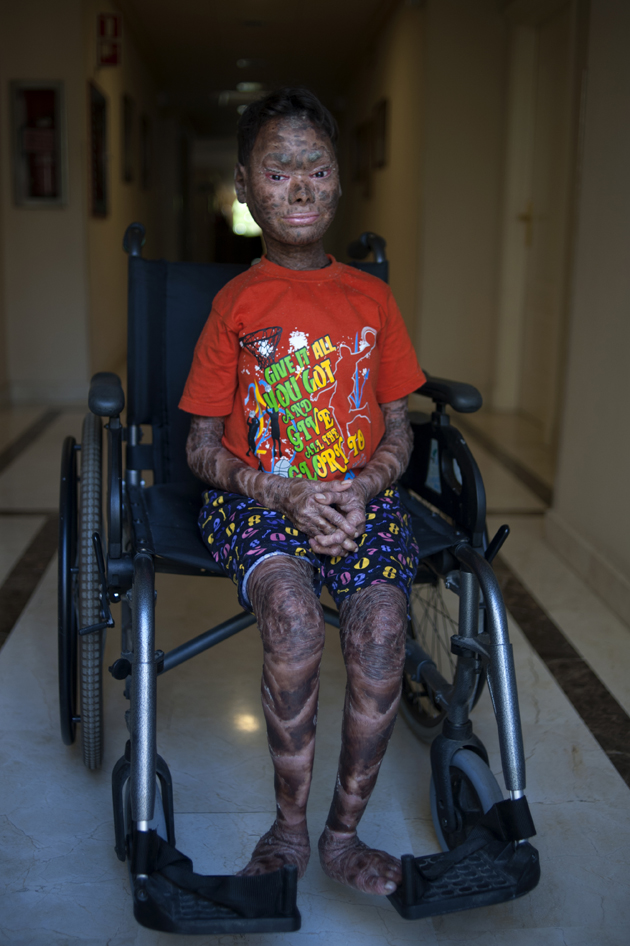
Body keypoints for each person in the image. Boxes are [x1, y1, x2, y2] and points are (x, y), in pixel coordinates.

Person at [180, 88, 426, 897]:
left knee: (385, 624)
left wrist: (366, 486)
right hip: (257, 498)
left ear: (338, 182)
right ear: (247, 188)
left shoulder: (373, 299)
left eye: (315, 168)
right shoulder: (236, 304)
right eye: (277, 170)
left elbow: (400, 425)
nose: (298, 186)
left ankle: (343, 835)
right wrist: (279, 493)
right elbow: (200, 444)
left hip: (359, 496)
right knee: (291, 616)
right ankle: (287, 833)